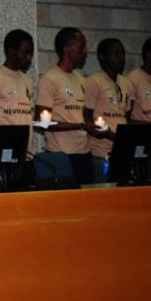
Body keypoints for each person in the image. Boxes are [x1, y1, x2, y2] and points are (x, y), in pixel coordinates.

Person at [36, 27, 96, 184]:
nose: (85, 52)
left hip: (84, 152)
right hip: (61, 155)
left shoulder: (80, 79)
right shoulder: (50, 78)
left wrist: (91, 125)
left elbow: (83, 117)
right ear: (67, 50)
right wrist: (79, 125)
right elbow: (42, 122)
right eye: (81, 47)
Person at [84, 38, 131, 181]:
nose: (121, 58)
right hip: (101, 152)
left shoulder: (126, 82)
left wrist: (127, 138)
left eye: (122, 53)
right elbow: (87, 117)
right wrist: (110, 134)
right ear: (102, 57)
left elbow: (126, 116)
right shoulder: (94, 81)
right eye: (116, 54)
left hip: (122, 152)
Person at [0, 29, 35, 126]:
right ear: (11, 52)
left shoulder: (27, 80)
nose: (29, 58)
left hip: (24, 141)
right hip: (0, 141)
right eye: (25, 53)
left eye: (31, 53)